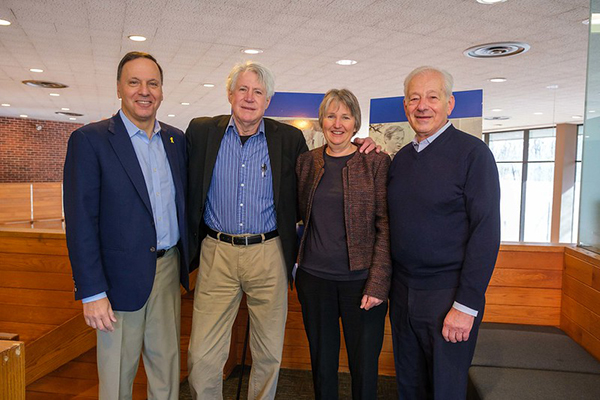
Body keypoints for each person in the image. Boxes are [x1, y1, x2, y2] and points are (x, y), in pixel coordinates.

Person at [185, 61, 377, 400]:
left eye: (258, 92)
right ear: (230, 94)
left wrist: (362, 145)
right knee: (202, 354)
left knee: (268, 353)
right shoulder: (201, 132)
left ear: (268, 100)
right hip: (217, 252)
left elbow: (322, 170)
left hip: (269, 253)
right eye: (242, 89)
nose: (249, 98)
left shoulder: (289, 140)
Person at [63, 51, 189, 400]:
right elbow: (80, 222)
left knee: (166, 373)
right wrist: (92, 292)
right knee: (117, 378)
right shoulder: (90, 140)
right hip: (116, 284)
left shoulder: (176, 141)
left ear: (162, 91)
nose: (144, 91)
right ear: (119, 87)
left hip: (167, 272)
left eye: (152, 83)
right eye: (134, 82)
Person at [387, 66, 500, 400]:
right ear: (405, 106)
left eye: (432, 97)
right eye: (414, 98)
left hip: (448, 296)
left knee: (445, 390)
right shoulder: (402, 160)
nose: (423, 105)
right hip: (403, 292)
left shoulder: (473, 154)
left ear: (449, 104)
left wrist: (466, 306)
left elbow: (486, 233)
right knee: (409, 386)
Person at [295, 89, 391, 400]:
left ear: (356, 123)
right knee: (322, 366)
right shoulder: (307, 162)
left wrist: (377, 284)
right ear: (321, 121)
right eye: (331, 115)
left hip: (361, 284)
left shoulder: (375, 162)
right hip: (314, 280)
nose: (338, 123)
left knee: (364, 368)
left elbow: (385, 226)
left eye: (345, 116)